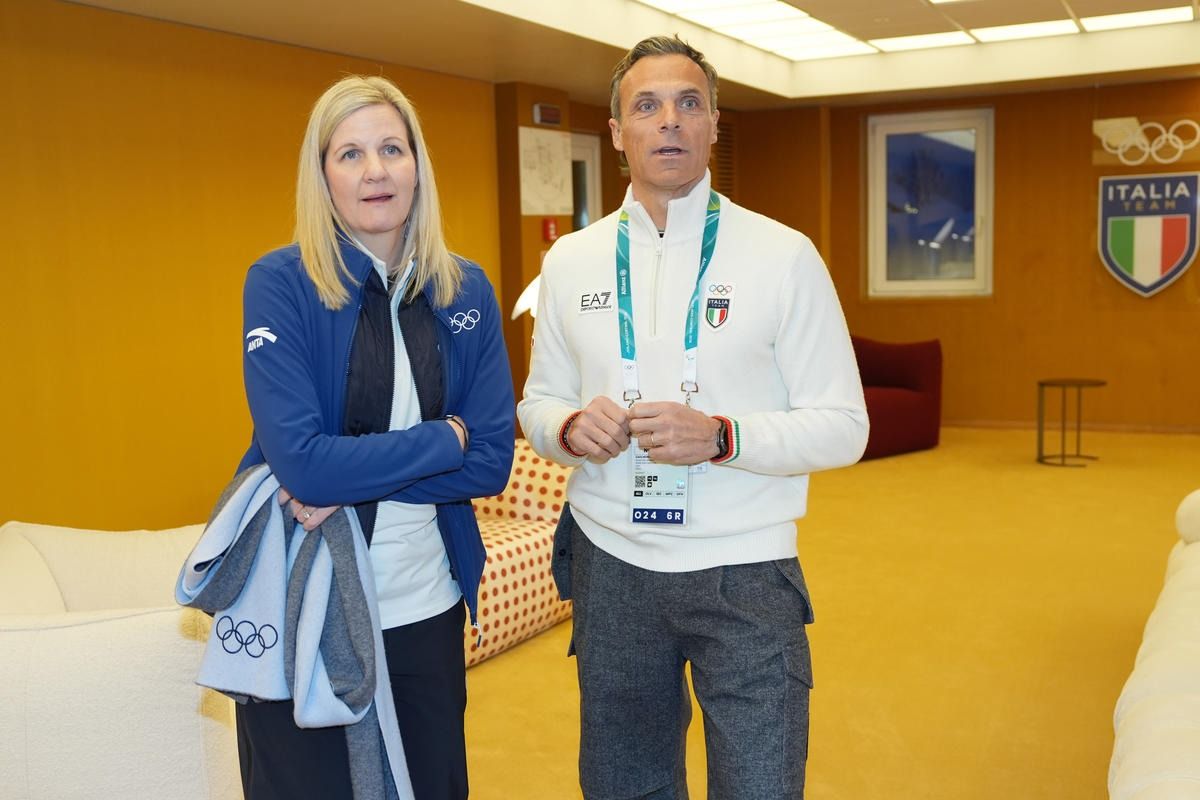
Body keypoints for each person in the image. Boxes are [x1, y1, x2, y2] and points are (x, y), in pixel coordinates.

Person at [517, 36, 868, 799]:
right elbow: (537, 404)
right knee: (624, 784)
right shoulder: (569, 261)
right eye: (646, 106)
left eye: (688, 103)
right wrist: (570, 429)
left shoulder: (784, 255)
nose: (669, 120)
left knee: (761, 783)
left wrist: (721, 436)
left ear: (712, 125)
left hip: (745, 567)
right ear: (618, 133)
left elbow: (845, 424)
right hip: (611, 563)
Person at [234, 75, 514, 800]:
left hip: (424, 604)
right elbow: (303, 463)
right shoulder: (280, 284)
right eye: (350, 153)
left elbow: (491, 461)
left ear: (417, 165)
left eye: (392, 148)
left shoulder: (466, 289)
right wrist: (444, 439)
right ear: (322, 175)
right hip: (304, 601)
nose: (375, 171)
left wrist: (349, 472)